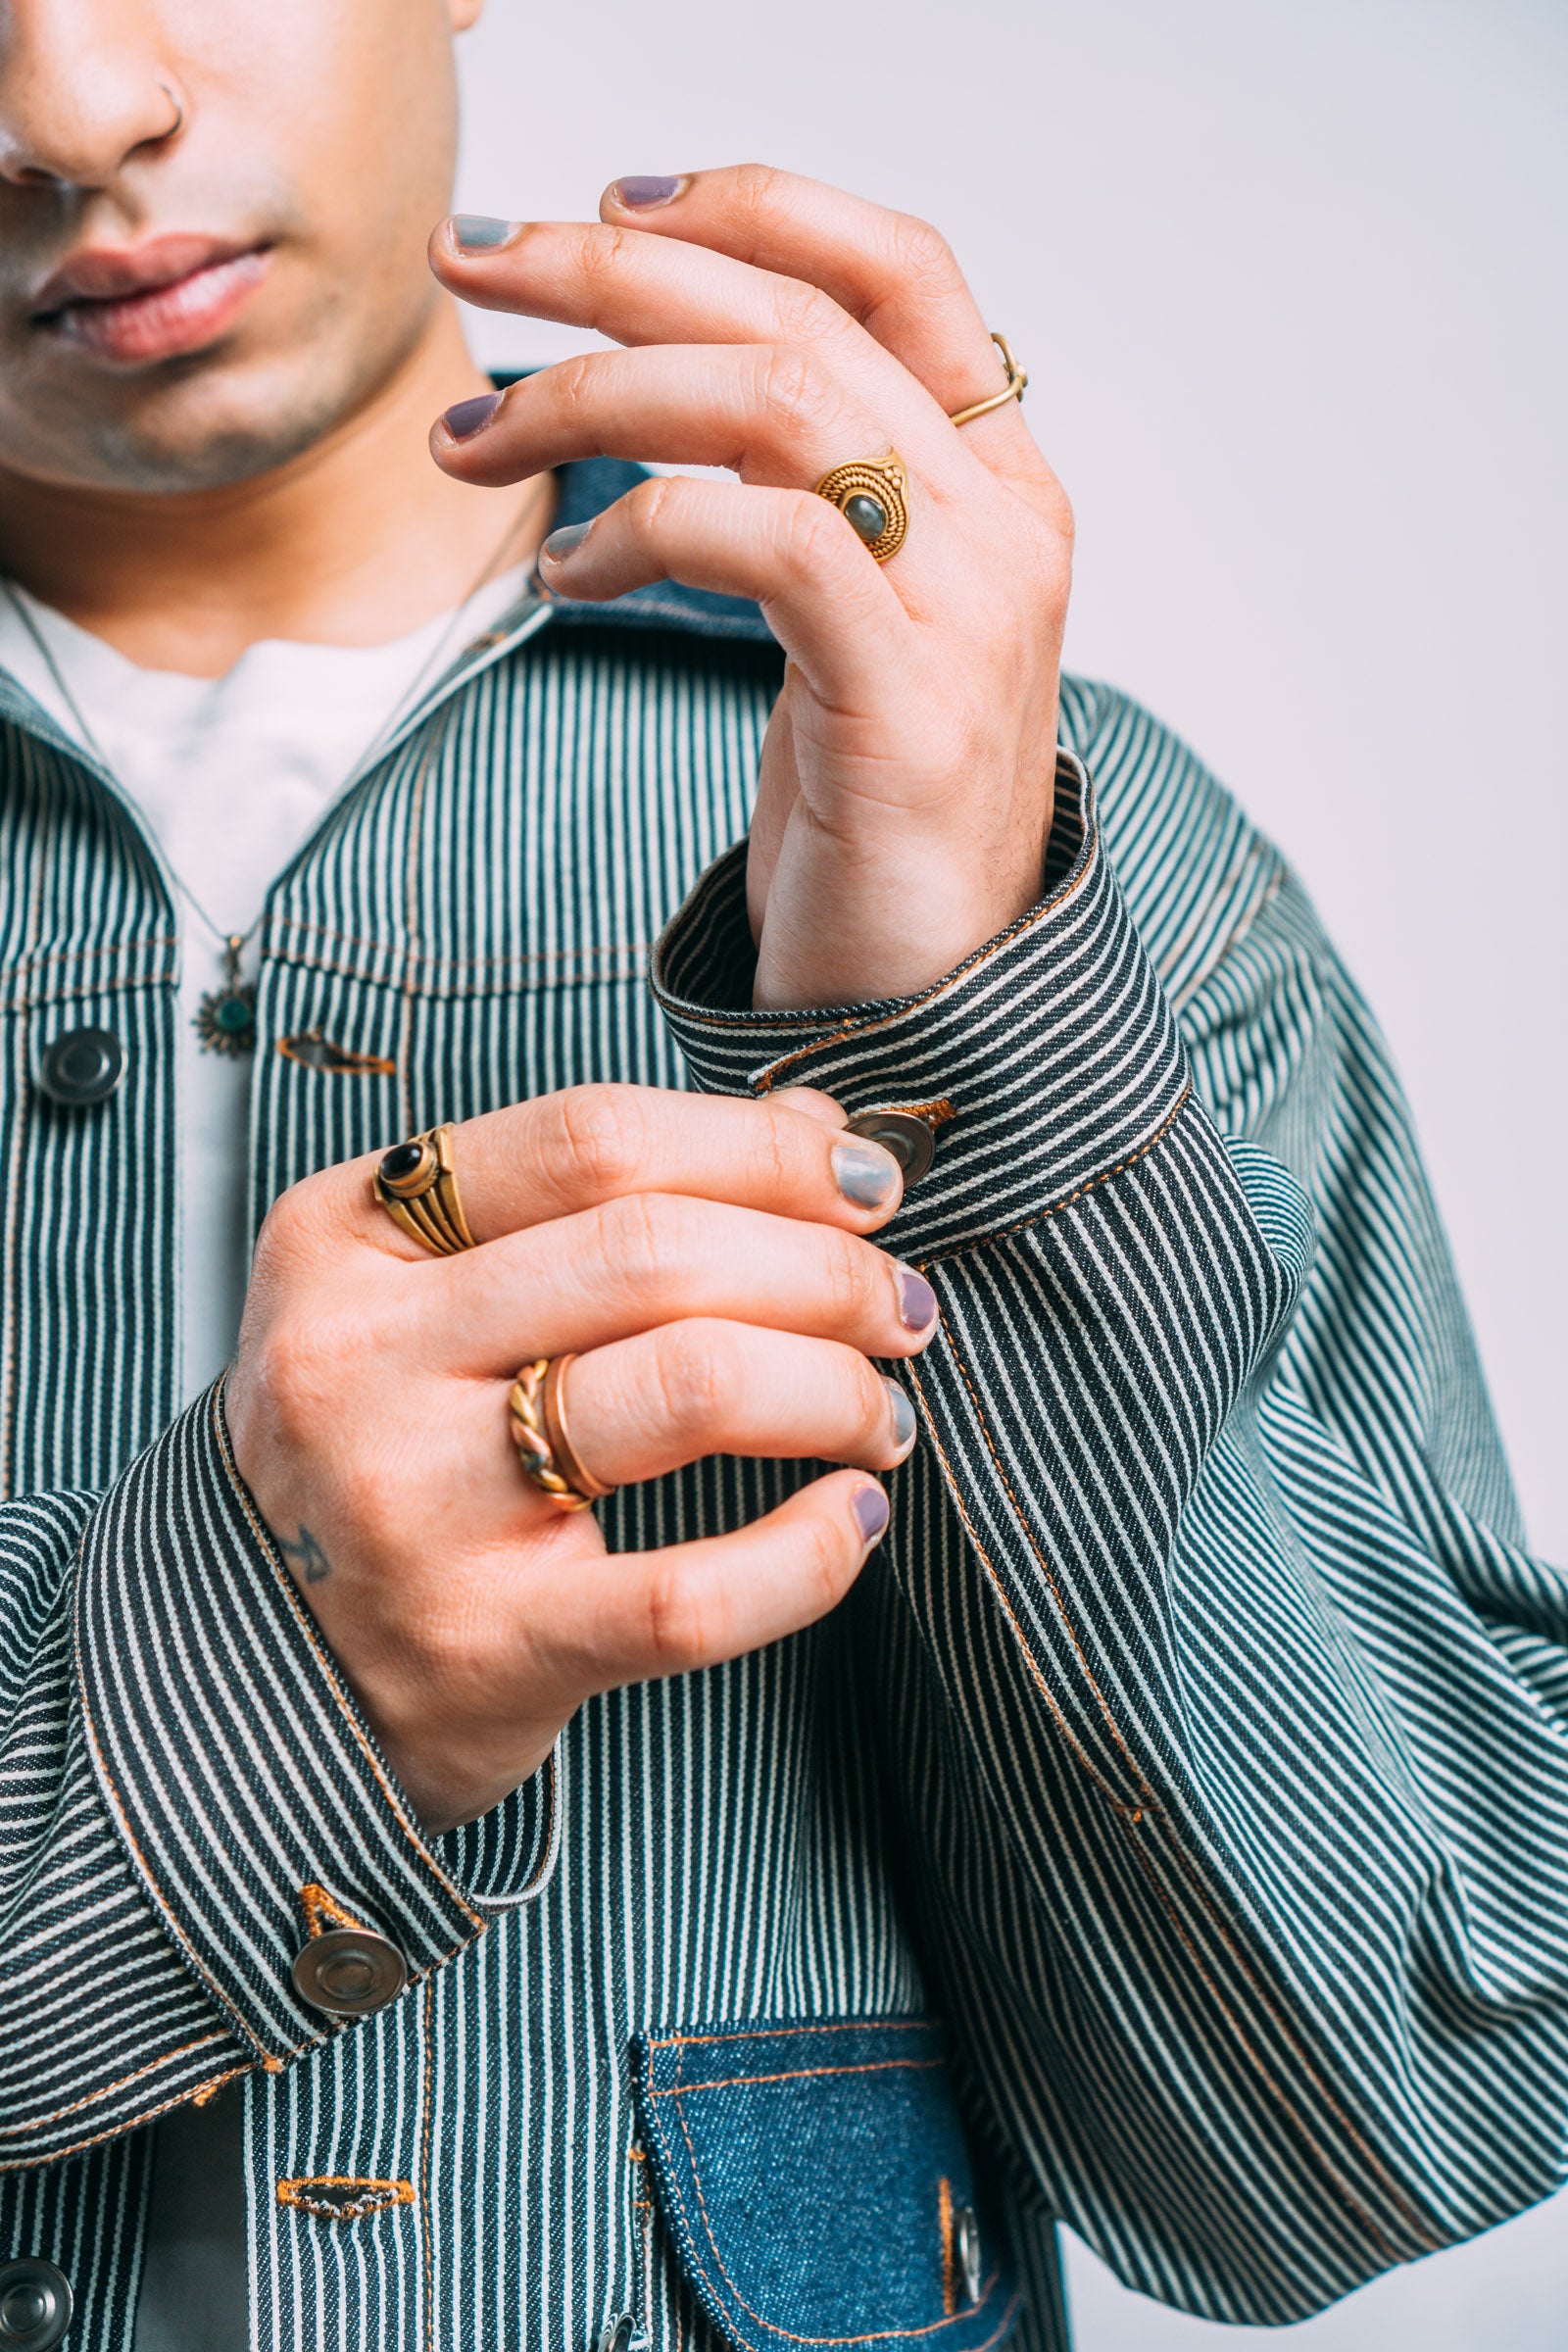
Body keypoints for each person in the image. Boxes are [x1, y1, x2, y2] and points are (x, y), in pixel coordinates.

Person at [1, 2, 1564, 2349]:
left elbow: (1377, 2123)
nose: (67, 109)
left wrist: (969, 1044)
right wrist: (266, 1675)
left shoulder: (1084, 860)